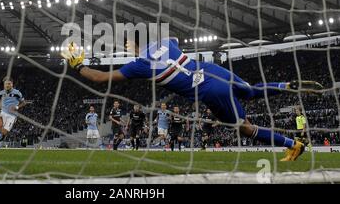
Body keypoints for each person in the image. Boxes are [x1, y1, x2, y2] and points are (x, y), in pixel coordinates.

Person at [61, 36, 324, 161]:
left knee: (244, 128)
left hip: (208, 91)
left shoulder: (138, 65)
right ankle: (288, 86)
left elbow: (100, 79)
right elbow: (171, 38)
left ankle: (292, 144)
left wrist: (78, 66)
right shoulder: (166, 42)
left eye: (128, 46)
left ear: (133, 46)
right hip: (214, 70)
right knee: (252, 91)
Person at [0, 77, 26, 148]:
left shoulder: (17, 93)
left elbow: (24, 103)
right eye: (6, 84)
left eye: (9, 84)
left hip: (12, 116)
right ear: (4, 85)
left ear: (12, 84)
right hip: (3, 112)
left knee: (4, 132)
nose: (7, 85)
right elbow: (0, 101)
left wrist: (17, 107)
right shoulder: (1, 92)